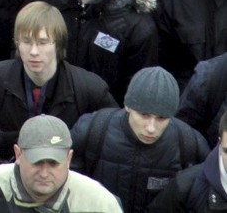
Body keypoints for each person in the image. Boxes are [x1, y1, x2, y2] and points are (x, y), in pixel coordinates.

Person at [0, 1, 116, 150]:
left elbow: (114, 136)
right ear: (17, 43)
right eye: (26, 41)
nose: (34, 52)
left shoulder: (90, 89)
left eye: (42, 43)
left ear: (58, 45)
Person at [71, 68, 208, 213]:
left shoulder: (189, 143)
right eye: (144, 115)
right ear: (127, 106)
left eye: (161, 118)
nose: (151, 128)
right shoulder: (93, 130)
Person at [0, 114, 123, 212]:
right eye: (36, 162)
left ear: (69, 158)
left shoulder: (100, 204)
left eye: (54, 163)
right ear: (18, 154)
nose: (44, 173)